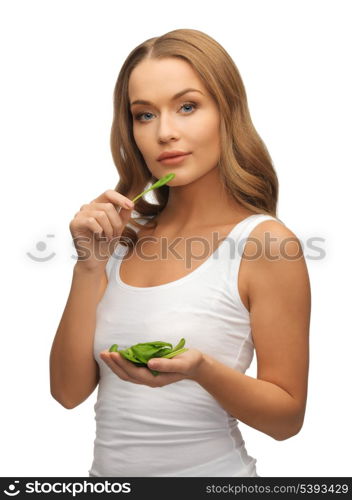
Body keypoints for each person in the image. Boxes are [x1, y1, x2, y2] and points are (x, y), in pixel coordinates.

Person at [49, 29, 311, 477]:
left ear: (226, 112)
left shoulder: (265, 244)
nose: (165, 132)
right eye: (144, 114)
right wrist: (89, 265)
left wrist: (202, 370)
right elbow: (68, 393)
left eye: (187, 106)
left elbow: (287, 420)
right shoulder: (121, 238)